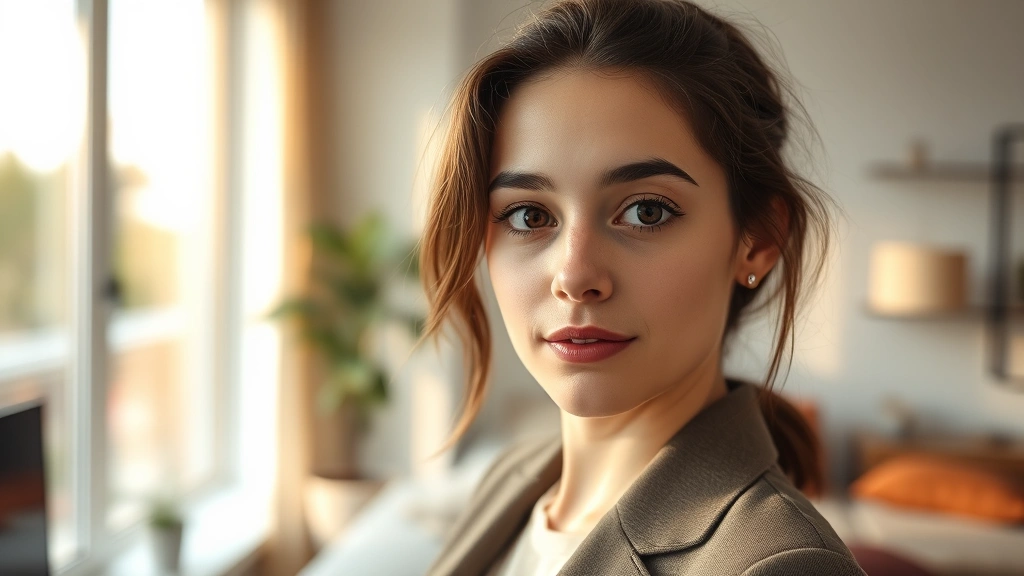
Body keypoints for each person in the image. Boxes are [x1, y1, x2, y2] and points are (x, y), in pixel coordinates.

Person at [417, 0, 867, 574]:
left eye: (647, 211)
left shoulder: (781, 564)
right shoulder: (513, 480)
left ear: (756, 239)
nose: (574, 276)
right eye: (529, 216)